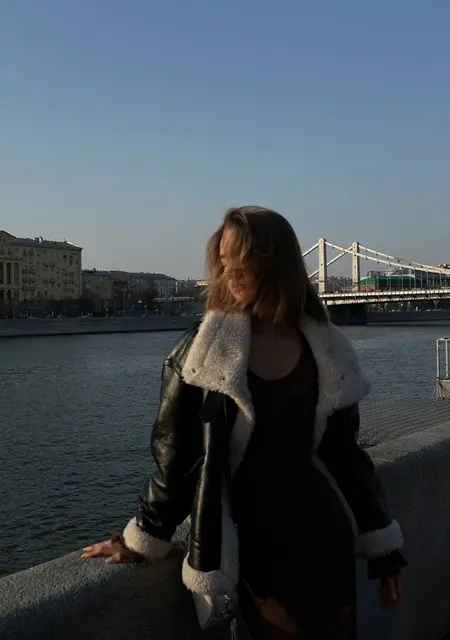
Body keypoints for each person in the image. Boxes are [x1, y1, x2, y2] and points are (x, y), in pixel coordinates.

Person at [83, 206, 406, 639]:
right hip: (252, 549)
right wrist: (143, 537)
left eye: (243, 262)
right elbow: (175, 458)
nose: (230, 274)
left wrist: (384, 550)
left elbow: (347, 458)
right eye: (224, 263)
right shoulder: (203, 353)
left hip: (324, 539)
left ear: (276, 263)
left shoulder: (328, 349)